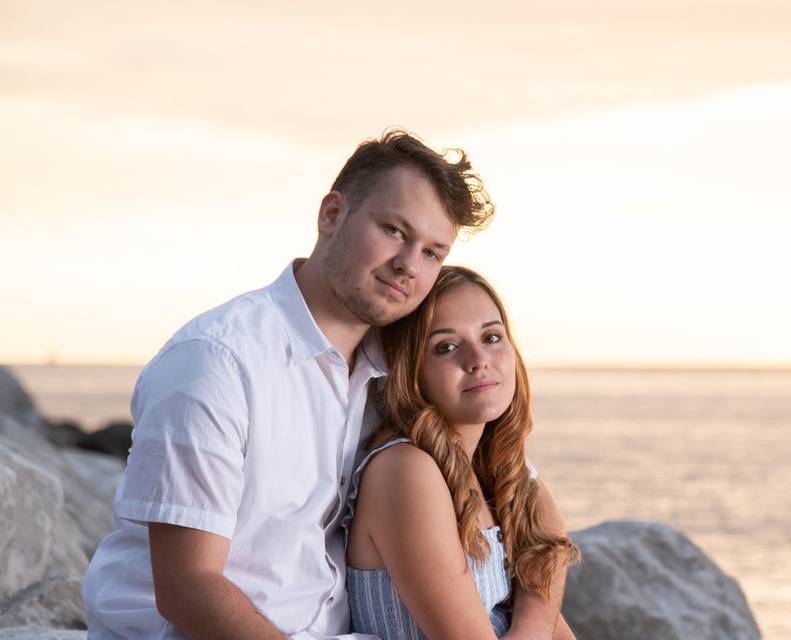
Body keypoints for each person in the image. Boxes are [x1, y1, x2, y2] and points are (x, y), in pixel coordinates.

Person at [82, 129, 568, 639]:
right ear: (332, 215)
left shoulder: (395, 372)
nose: (408, 265)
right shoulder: (217, 362)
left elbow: (522, 488)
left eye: (431, 252)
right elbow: (187, 587)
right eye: (395, 231)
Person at [343, 266, 578, 639]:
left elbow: (549, 546)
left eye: (491, 336)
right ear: (410, 370)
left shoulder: (493, 471)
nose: (478, 359)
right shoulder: (404, 470)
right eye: (446, 346)